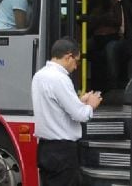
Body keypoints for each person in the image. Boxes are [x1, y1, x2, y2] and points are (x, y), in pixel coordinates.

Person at [32, 38, 102, 186]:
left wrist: (79, 101)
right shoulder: (60, 78)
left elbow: (56, 106)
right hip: (62, 152)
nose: (76, 67)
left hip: (45, 149)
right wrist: (91, 105)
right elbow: (80, 115)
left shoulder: (39, 76)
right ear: (68, 56)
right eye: (76, 61)